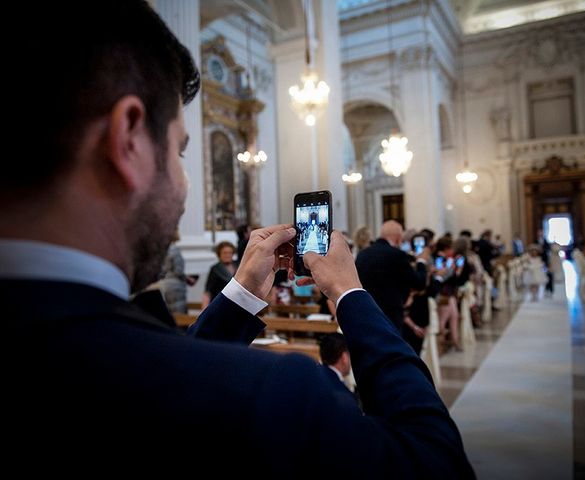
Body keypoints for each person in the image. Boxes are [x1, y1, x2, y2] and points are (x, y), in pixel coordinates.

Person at [3, 2, 474, 475]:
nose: (185, 185)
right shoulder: (274, 398)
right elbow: (436, 461)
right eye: (180, 151)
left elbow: (170, 368)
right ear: (128, 139)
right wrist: (348, 292)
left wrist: (240, 297)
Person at [355, 220, 429, 333]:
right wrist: (421, 261)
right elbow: (419, 283)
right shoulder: (397, 255)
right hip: (391, 314)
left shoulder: (363, 255)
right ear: (399, 238)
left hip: (368, 312)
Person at [202, 241, 238, 307]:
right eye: (225, 253)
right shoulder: (215, 269)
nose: (228, 255)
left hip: (236, 303)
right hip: (219, 303)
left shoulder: (238, 266)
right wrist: (205, 308)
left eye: (230, 253)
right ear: (219, 254)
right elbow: (208, 290)